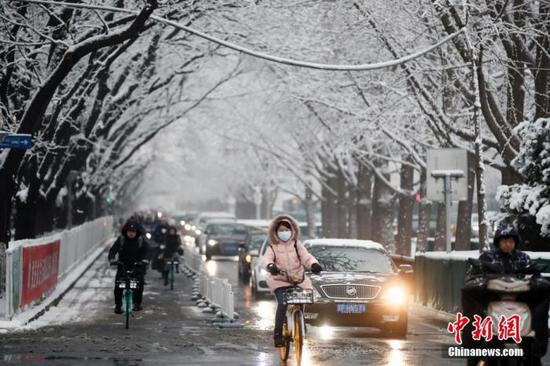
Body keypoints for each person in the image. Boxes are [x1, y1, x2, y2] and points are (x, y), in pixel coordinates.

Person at [461, 225, 549, 362]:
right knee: (474, 314)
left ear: (516, 243)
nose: (508, 244)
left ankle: (537, 346)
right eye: (504, 241)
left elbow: (534, 275)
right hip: (491, 303)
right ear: (498, 242)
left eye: (511, 241)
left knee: (539, 310)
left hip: (520, 303)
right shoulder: (487, 258)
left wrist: (535, 281)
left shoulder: (523, 258)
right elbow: (472, 277)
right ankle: (473, 345)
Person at [261, 215, 322, 347]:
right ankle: (278, 335)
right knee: (283, 303)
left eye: (286, 230)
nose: (284, 233)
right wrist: (271, 266)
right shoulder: (272, 247)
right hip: (279, 281)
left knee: (303, 299)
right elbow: (266, 260)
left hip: (298, 280)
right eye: (281, 230)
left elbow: (306, 257)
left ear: (292, 230)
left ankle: (300, 322)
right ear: (276, 232)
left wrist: (314, 264)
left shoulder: (296, 245)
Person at [108, 219, 150, 313]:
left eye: (133, 231)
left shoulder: (141, 240)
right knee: (118, 286)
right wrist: (112, 259)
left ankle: (137, 304)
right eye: (129, 231)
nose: (131, 233)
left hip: (137, 267)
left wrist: (145, 260)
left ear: (137, 232)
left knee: (139, 285)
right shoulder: (121, 240)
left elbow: (148, 251)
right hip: (123, 266)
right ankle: (118, 305)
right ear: (126, 231)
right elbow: (113, 250)